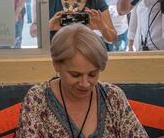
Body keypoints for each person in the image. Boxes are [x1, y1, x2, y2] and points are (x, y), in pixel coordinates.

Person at [16, 24, 148, 137]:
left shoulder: (113, 97)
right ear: (56, 64)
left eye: (92, 74)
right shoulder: (38, 99)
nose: (85, 84)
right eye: (75, 75)